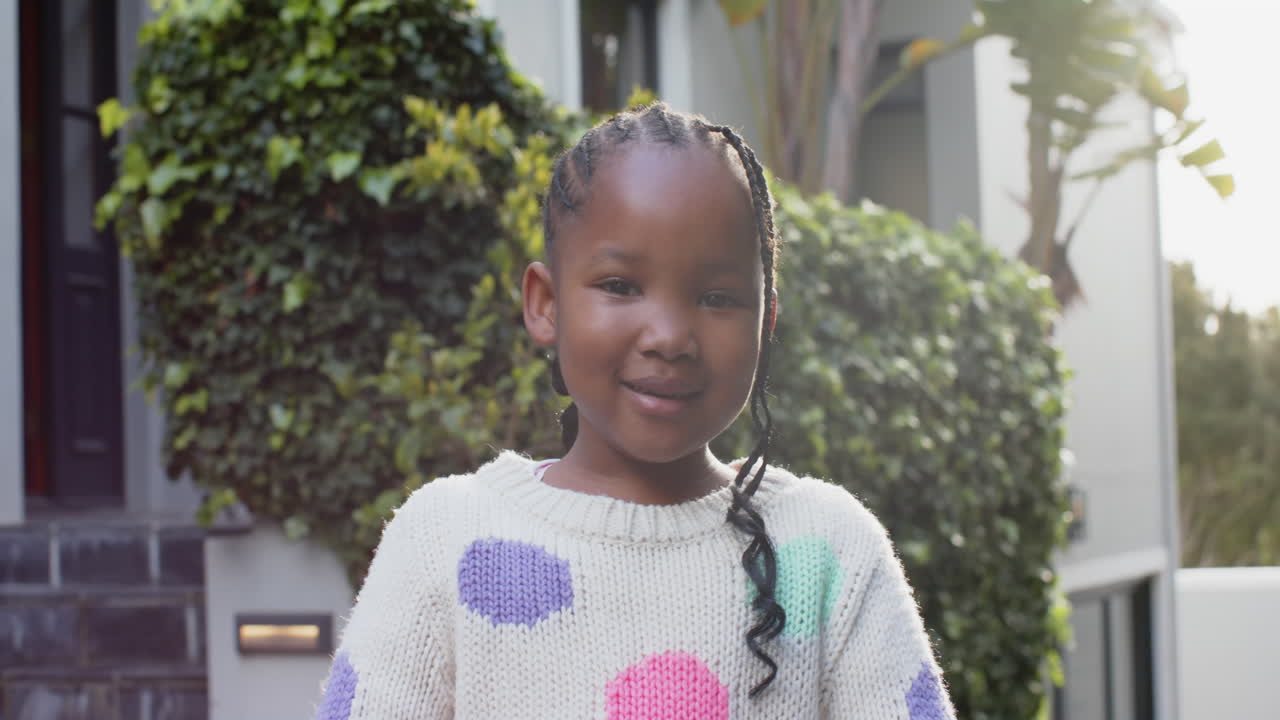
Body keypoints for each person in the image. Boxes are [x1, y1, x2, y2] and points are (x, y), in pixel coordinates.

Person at [312, 103, 956, 719]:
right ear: (545, 303)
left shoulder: (830, 552)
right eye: (619, 286)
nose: (669, 335)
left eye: (718, 296)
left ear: (767, 322)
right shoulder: (444, 541)